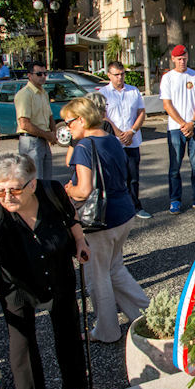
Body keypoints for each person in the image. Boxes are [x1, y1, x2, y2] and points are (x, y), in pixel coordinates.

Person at [0, 154, 89, 389]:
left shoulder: (52, 191)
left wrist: (80, 241)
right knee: (22, 345)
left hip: (58, 272)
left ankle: (77, 385)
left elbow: (71, 218)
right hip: (17, 285)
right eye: (0, 191)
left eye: (14, 189)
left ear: (32, 184)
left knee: (68, 330)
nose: (6, 197)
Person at [62, 98, 149, 342]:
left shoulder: (83, 146)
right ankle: (147, 315)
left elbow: (83, 190)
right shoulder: (111, 139)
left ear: (81, 119)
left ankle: (107, 331)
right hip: (123, 212)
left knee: (98, 277)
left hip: (100, 219)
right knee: (115, 269)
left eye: (69, 122)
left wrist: (68, 190)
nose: (67, 127)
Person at [159, 44, 195, 214]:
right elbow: (167, 104)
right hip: (176, 128)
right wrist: (183, 124)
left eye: (184, 58)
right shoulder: (168, 78)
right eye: (179, 59)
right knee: (175, 167)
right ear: (173, 59)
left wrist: (192, 123)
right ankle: (175, 200)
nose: (182, 61)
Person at [99, 61, 151, 219]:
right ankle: (117, 208)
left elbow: (141, 113)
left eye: (122, 74)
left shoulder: (133, 91)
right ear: (109, 75)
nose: (120, 77)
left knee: (133, 177)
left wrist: (132, 132)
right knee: (115, 177)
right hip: (113, 142)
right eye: (116, 75)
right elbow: (104, 116)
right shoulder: (103, 93)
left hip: (132, 141)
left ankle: (135, 206)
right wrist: (118, 132)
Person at [14, 62, 56, 180]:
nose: (43, 76)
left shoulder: (44, 93)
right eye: (39, 74)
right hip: (30, 141)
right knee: (34, 181)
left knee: (46, 181)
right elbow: (24, 124)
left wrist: (53, 133)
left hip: (43, 140)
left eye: (45, 74)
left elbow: (50, 116)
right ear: (29, 75)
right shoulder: (25, 94)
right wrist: (47, 135)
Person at [65, 91, 114, 167]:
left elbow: (69, 160)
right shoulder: (105, 126)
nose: (105, 110)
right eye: (104, 106)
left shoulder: (78, 130)